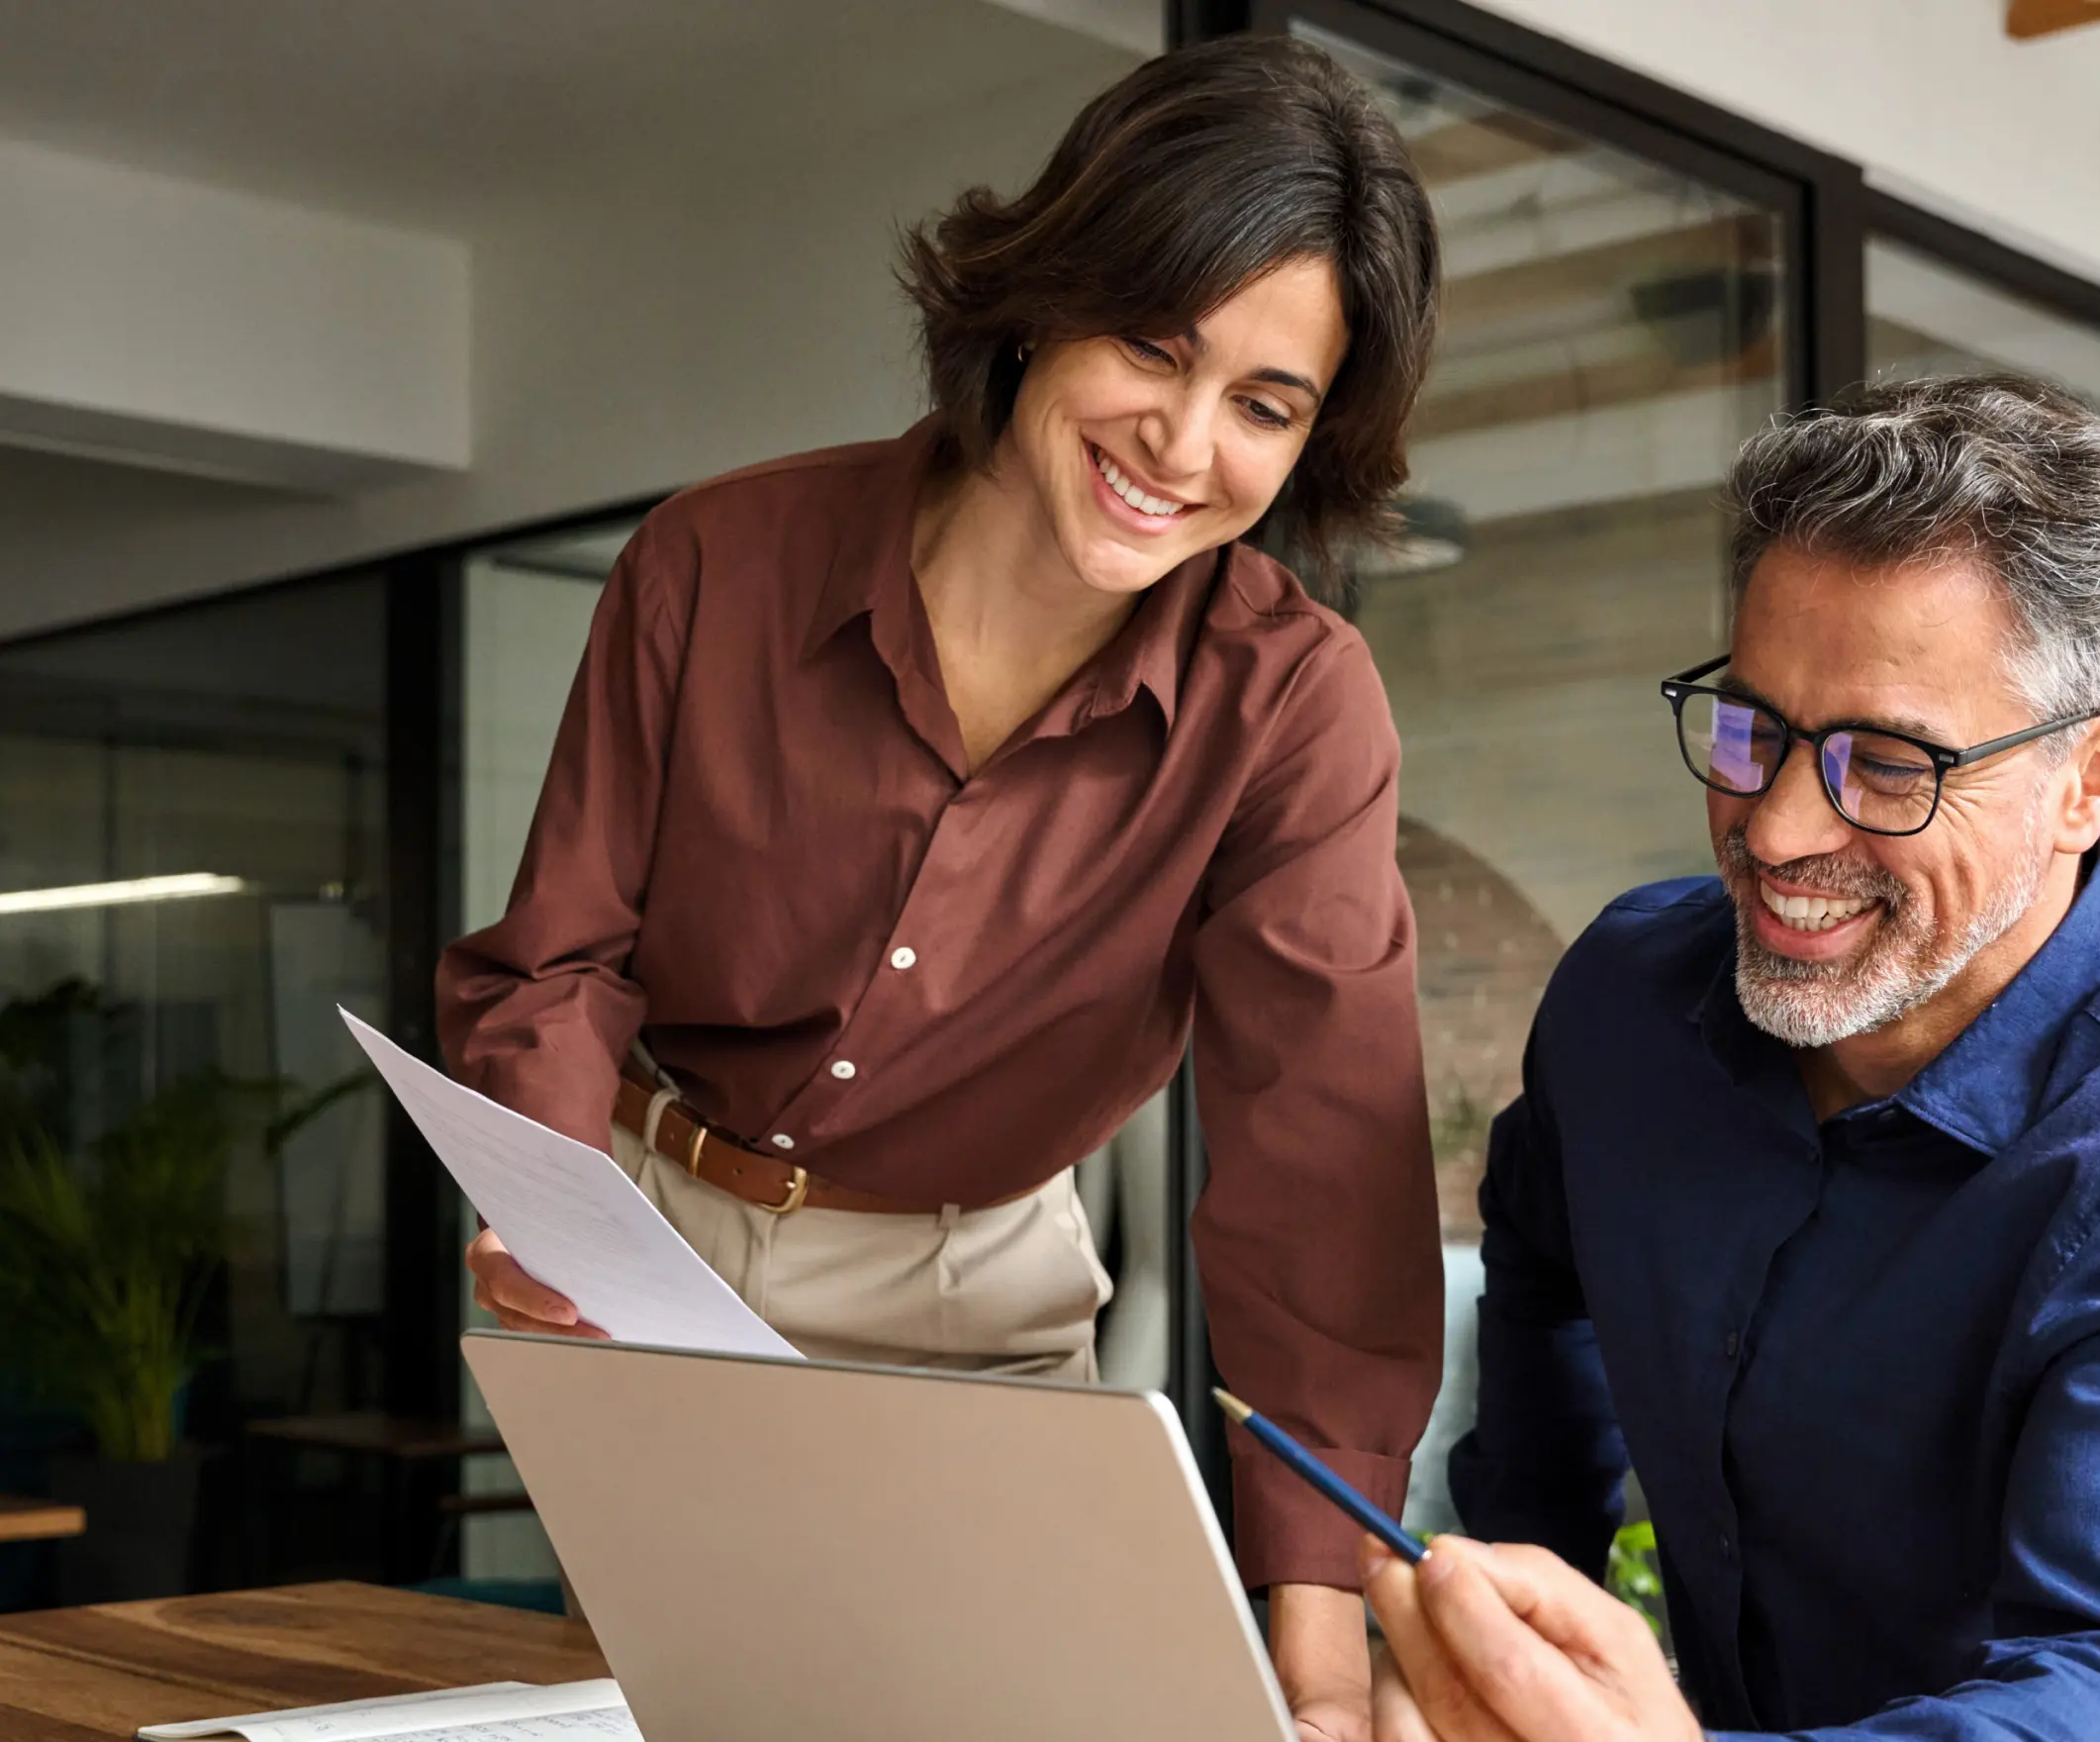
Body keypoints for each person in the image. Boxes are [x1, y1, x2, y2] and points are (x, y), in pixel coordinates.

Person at [433, 37, 1444, 1741]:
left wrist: (1322, 1658)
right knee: (687, 1713)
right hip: (650, 1254)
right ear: (1045, 300)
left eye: (1264, 407)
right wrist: (542, 1197)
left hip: (979, 1300)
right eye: (1154, 344)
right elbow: (559, 955)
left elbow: (1315, 1174)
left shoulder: (1293, 701)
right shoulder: (717, 563)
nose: (1183, 445)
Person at [1358, 375, 2100, 1742]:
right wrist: (1515, 1629)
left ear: (2091, 779)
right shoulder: (1631, 1005)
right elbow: (1542, 1252)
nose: (1783, 828)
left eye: (1888, 765)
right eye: (1752, 730)